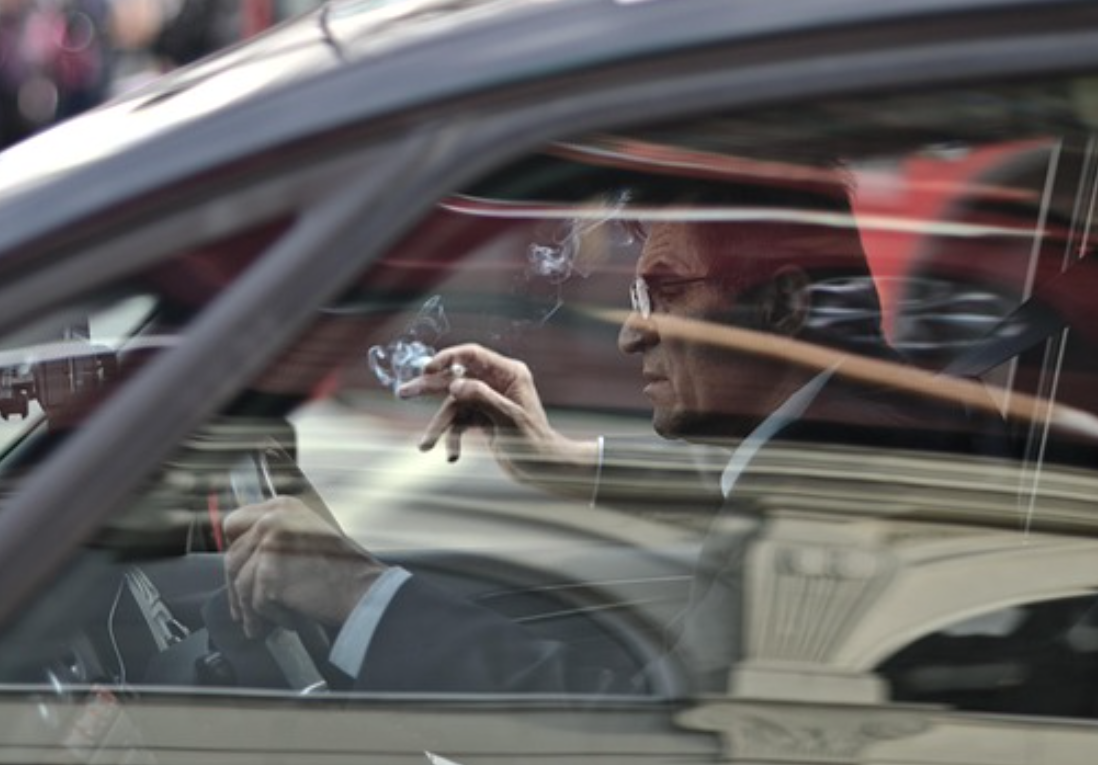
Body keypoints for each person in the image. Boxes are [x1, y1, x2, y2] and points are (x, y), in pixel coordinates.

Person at [220, 173, 1002, 694]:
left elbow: (631, 736)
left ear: (781, 307)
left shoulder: (836, 516)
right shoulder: (871, 424)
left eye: (664, 293)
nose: (633, 337)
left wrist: (362, 595)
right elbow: (756, 485)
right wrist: (569, 465)